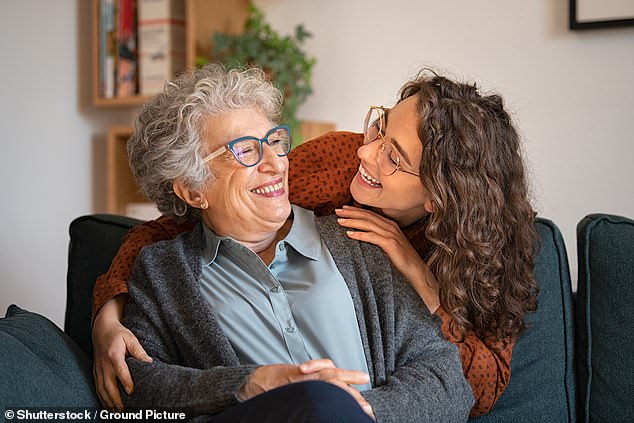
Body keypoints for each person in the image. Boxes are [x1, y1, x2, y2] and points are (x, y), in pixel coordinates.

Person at [92, 67, 538, 417]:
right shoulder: (338, 167)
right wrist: (107, 315)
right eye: (379, 128)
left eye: (393, 156)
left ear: (440, 197)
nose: (367, 152)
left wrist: (417, 276)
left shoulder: (375, 249)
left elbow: (463, 385)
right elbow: (168, 228)